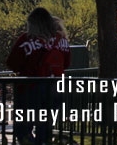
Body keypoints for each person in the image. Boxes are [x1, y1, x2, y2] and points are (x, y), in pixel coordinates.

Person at [6, 8, 71, 145]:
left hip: (30, 88)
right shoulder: (61, 40)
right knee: (45, 127)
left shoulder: (26, 39)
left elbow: (12, 63)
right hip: (55, 87)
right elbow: (67, 63)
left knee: (23, 128)